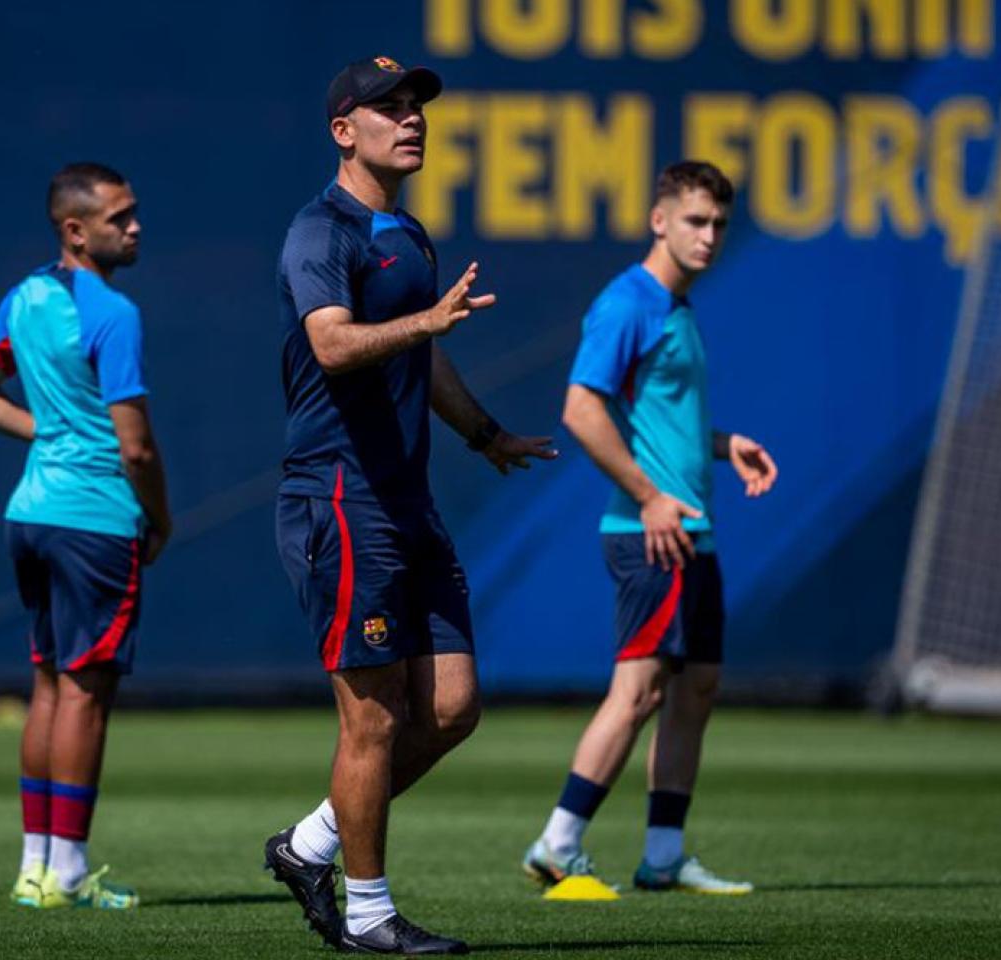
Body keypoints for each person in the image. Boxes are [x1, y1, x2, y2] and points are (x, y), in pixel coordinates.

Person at [263, 56, 557, 954]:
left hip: (406, 500)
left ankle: (308, 844)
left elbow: (421, 362)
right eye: (387, 107)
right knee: (375, 718)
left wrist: (485, 434)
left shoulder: (411, 236)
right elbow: (336, 344)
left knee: (456, 705)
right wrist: (424, 323)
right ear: (343, 131)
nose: (411, 118)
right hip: (340, 499)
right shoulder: (322, 233)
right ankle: (368, 915)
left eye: (416, 104)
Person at [521, 160, 778, 898]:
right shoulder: (630, 302)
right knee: (638, 692)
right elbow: (581, 410)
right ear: (659, 219)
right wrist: (649, 495)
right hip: (649, 533)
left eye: (720, 225)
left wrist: (725, 446)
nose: (709, 236)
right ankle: (557, 843)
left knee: (697, 686)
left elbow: (660, 418)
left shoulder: (678, 306)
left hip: (692, 530)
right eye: (696, 221)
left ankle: (663, 855)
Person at [0, 161, 171, 911]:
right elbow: (135, 446)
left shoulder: (27, 295)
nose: (135, 226)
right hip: (94, 519)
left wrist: (44, 432)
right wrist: (161, 518)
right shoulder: (112, 312)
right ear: (76, 231)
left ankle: (35, 868)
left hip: (33, 513)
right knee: (84, 695)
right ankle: (66, 873)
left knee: (48, 687)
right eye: (120, 216)